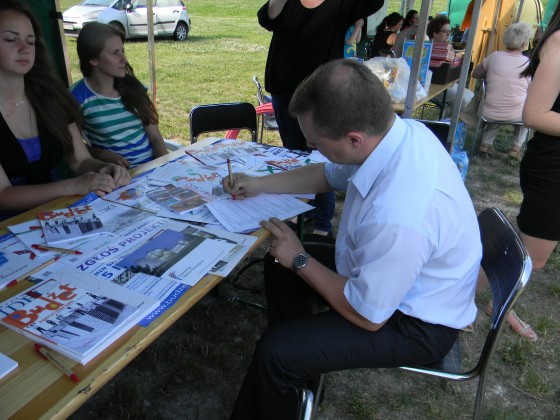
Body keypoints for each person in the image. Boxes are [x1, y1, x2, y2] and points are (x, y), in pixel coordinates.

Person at [225, 59, 482, 419]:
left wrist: (301, 260)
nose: (311, 147)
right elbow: (328, 174)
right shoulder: (396, 134)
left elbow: (367, 315)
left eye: (315, 142)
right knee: (278, 264)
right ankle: (300, 374)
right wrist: (259, 184)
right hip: (389, 279)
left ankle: (289, 365)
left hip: (415, 323)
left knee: (275, 352)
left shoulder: (400, 213)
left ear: (354, 139)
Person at [257, 0, 383, 236]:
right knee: (294, 155)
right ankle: (302, 211)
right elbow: (267, 18)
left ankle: (322, 222)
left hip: (323, 96)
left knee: (323, 157)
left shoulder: (341, 4)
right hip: (285, 90)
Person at [0, 1, 130, 222]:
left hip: (59, 216)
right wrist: (73, 185)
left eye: (30, 41)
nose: (24, 48)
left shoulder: (52, 97)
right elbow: (3, 196)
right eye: (11, 40)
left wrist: (104, 169)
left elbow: (79, 161)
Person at [509, 0, 560, 341]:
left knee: (523, 244)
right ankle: (456, 294)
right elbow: (534, 114)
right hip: (553, 166)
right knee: (531, 257)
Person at [71, 22, 168, 169]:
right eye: (115, 53)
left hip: (152, 171)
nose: (124, 59)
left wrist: (165, 169)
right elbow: (75, 149)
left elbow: (155, 138)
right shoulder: (77, 97)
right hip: (115, 179)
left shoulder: (133, 87)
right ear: (93, 59)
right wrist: (100, 154)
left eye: (122, 51)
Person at [471, 22, 532, 160]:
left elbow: (475, 74)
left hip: (490, 111)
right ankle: (516, 148)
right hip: (517, 113)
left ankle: (485, 145)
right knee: (524, 115)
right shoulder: (527, 63)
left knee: (497, 109)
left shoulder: (494, 57)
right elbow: (531, 87)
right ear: (524, 44)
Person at [427, 14, 474, 117]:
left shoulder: (448, 47)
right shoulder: (427, 48)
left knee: (472, 97)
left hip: (448, 83)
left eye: (449, 32)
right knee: (464, 101)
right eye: (445, 32)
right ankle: (447, 122)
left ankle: (448, 116)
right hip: (433, 86)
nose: (448, 34)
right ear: (435, 33)